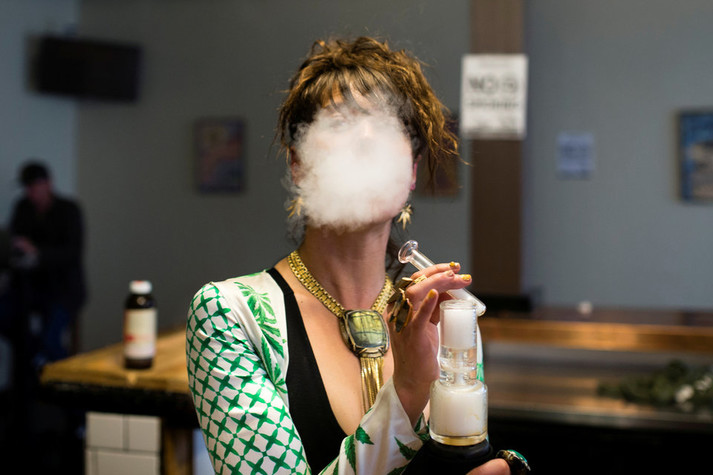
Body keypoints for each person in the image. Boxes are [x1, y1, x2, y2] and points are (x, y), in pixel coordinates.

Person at [186, 37, 513, 474]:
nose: (366, 137)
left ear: (412, 172)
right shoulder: (230, 315)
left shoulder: (443, 320)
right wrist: (408, 390)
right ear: (297, 163)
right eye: (341, 122)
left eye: (387, 126)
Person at [3, 161, 86, 366]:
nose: (31, 193)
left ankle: (67, 375)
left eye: (34, 186)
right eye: (28, 187)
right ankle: (35, 356)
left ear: (47, 184)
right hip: (30, 287)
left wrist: (37, 252)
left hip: (64, 289)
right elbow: (13, 240)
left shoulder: (68, 210)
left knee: (51, 340)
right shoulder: (23, 208)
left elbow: (71, 252)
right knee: (9, 320)